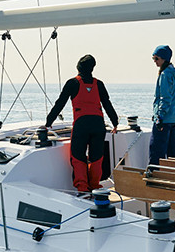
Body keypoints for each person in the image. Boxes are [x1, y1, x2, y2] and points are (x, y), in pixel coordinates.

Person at [44, 54, 120, 193]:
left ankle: (82, 187)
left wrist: (49, 122)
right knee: (96, 157)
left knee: (78, 156)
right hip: (98, 125)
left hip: (82, 125)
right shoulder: (99, 84)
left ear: (78, 67)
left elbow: (60, 103)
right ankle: (95, 185)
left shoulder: (72, 83)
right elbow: (107, 104)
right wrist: (115, 122)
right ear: (92, 68)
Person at [148, 44, 175, 170]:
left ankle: (153, 174)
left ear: (164, 58)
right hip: (173, 119)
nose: (155, 61)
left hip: (164, 119)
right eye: (153, 58)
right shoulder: (173, 74)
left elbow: (165, 98)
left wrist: (159, 116)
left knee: (156, 151)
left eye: (156, 58)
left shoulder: (165, 74)